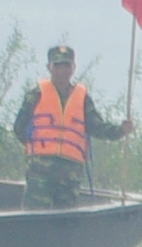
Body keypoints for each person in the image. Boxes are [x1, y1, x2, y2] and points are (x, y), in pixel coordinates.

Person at [18, 44, 128, 205]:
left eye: (66, 65)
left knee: (66, 222)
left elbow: (97, 126)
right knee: (34, 218)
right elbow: (19, 127)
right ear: (49, 67)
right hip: (40, 171)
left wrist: (120, 130)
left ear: (73, 67)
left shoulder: (82, 99)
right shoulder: (35, 95)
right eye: (57, 65)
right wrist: (36, 149)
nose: (62, 70)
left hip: (70, 174)